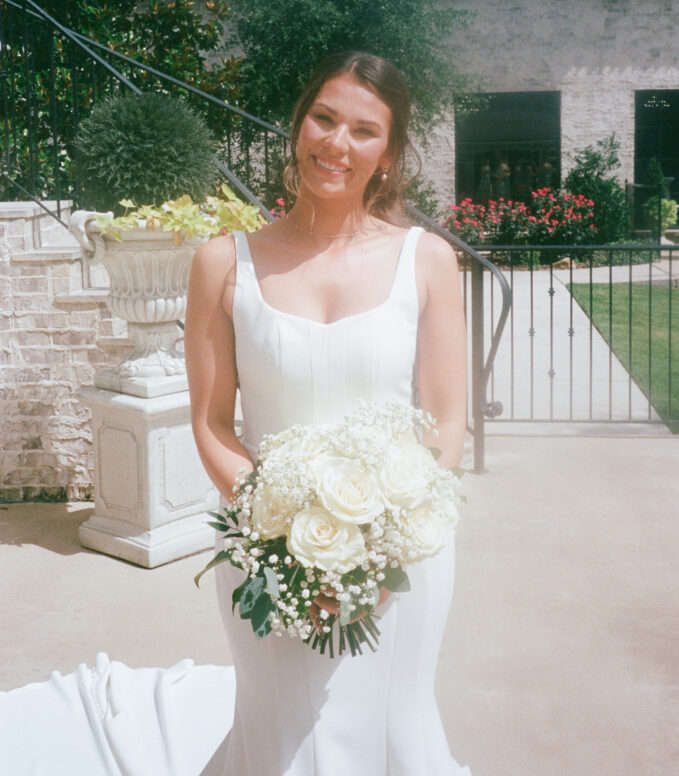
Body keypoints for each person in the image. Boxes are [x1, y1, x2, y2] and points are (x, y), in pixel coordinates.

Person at [184, 50, 471, 776]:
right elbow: (212, 421)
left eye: (363, 131)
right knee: (281, 740)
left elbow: (445, 422)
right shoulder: (223, 263)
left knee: (393, 733)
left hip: (400, 563)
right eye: (324, 118)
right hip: (264, 554)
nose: (336, 144)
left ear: (389, 154)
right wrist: (281, 538)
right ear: (298, 124)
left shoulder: (427, 259)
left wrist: (375, 548)